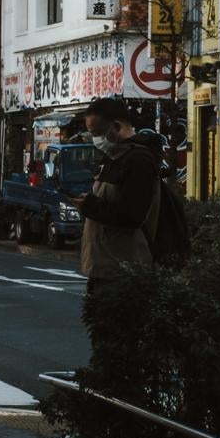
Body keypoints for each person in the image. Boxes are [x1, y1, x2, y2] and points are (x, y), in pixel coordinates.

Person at [66, 97, 161, 295]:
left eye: (96, 133)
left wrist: (89, 206)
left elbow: (131, 215)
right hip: (106, 267)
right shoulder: (115, 157)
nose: (95, 139)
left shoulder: (138, 160)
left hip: (123, 271)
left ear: (116, 126)